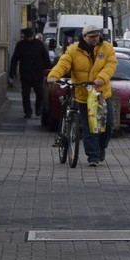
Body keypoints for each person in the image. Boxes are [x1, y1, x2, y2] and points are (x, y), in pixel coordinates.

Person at [47, 23, 117, 167]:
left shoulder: (107, 48)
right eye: (91, 37)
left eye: (97, 36)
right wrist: (53, 75)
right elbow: (63, 64)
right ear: (83, 37)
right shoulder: (73, 50)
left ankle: (101, 148)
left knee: (108, 125)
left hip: (101, 93)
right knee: (89, 127)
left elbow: (110, 65)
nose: (95, 39)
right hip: (83, 95)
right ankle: (93, 157)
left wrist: (101, 78)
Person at [9, 27, 52, 118]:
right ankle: (28, 111)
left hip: (38, 73)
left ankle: (38, 108)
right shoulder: (20, 45)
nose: (30, 38)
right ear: (25, 36)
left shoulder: (39, 44)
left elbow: (46, 58)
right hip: (25, 73)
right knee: (25, 94)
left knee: (40, 93)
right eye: (28, 37)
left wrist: (49, 72)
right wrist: (12, 72)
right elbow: (15, 59)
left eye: (31, 36)